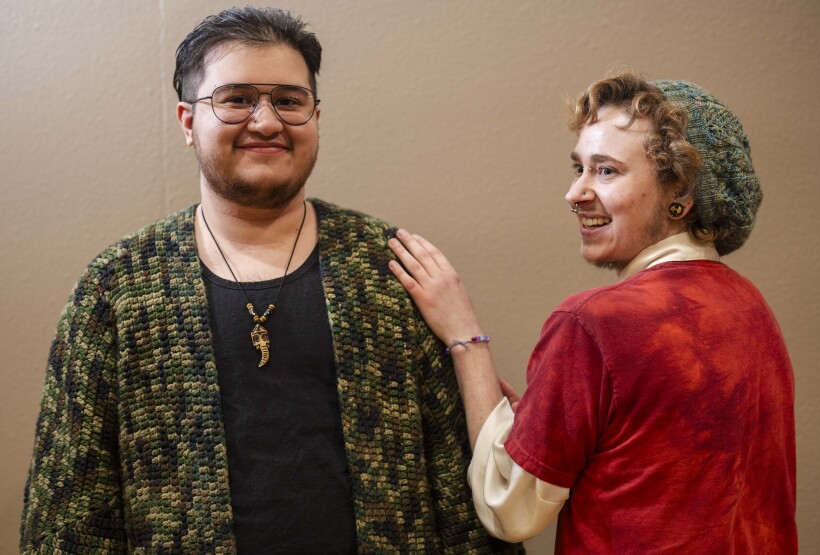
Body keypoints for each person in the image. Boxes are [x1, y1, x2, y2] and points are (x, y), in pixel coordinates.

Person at [20, 7, 524, 554]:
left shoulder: (392, 269)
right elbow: (68, 512)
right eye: (236, 100)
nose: (266, 122)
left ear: (315, 115)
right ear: (189, 122)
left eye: (289, 101)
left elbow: (460, 493)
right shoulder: (117, 288)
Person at [389, 73, 797, 553]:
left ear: (679, 192)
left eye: (606, 171)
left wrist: (465, 336)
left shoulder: (594, 323)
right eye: (578, 168)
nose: (575, 193)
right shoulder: (750, 308)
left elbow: (509, 507)